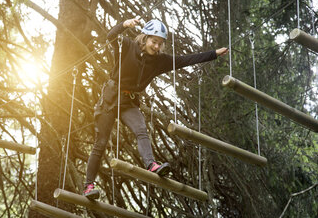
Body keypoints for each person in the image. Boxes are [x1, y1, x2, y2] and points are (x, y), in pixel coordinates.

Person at [83, 18, 228, 199]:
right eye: (154, 41)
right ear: (144, 38)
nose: (157, 47)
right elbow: (110, 36)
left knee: (141, 130)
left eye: (160, 44)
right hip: (110, 99)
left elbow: (185, 60)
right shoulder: (127, 46)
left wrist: (213, 54)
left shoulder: (160, 61)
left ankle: (151, 164)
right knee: (101, 143)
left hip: (129, 103)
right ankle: (88, 186)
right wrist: (124, 25)